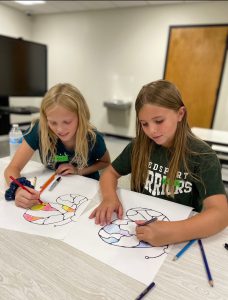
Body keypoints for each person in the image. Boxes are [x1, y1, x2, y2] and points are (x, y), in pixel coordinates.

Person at [90, 79, 228, 246]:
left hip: (179, 236)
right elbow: (110, 173)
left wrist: (172, 232)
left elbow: (221, 213)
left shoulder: (202, 155)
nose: (152, 131)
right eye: (144, 124)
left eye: (159, 121)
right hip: (141, 227)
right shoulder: (138, 146)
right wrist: (109, 198)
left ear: (180, 114)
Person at [4, 83, 110, 208]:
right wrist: (18, 189)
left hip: (87, 193)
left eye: (67, 122)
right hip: (54, 189)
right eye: (53, 122)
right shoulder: (40, 131)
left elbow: (105, 163)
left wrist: (79, 171)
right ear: (45, 118)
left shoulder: (92, 138)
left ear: (81, 116)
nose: (60, 129)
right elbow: (12, 168)